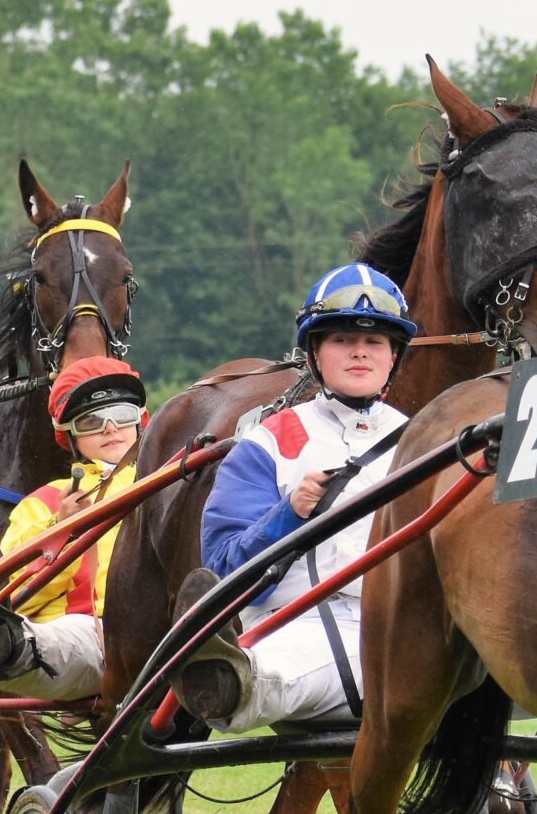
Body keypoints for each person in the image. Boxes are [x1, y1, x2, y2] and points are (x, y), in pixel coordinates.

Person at [177, 264, 417, 733]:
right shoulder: (267, 443)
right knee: (277, 669)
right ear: (313, 355)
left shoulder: (424, 438)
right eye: (343, 340)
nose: (360, 353)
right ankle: (229, 684)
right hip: (297, 625)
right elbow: (224, 572)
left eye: (375, 342)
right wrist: (290, 513)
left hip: (407, 627)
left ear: (394, 356)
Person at [0, 357, 147, 703]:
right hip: (86, 631)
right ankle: (3, 645)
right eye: (92, 420)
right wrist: (62, 530)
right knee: (48, 640)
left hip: (162, 625)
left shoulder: (169, 479)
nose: (110, 428)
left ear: (141, 420)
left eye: (122, 415)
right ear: (70, 436)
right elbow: (24, 594)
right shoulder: (44, 502)